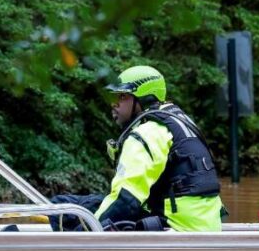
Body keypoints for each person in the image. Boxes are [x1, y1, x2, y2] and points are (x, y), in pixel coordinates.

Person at [95, 65, 223, 232]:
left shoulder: (147, 133)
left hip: (175, 229)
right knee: (92, 203)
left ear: (143, 99)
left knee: (78, 209)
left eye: (122, 96)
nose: (114, 104)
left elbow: (126, 199)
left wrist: (85, 232)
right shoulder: (181, 122)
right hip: (205, 226)